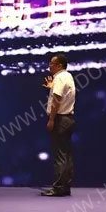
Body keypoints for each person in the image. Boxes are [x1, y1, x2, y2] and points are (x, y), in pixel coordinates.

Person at [42, 53, 76, 197]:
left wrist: (51, 119)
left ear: (59, 65)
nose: (49, 65)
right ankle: (65, 185)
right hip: (68, 118)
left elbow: (57, 99)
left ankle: (58, 188)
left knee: (60, 155)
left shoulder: (60, 77)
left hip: (60, 119)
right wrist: (52, 87)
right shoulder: (67, 76)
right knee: (66, 154)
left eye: (52, 63)